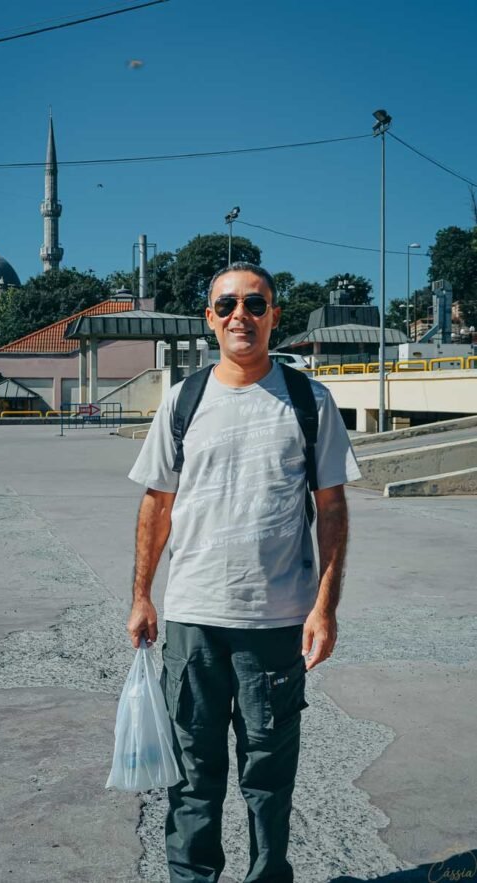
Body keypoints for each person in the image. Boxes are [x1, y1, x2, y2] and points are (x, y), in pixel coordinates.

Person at [127, 262, 361, 883]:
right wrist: (142, 597)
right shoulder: (184, 399)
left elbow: (332, 511)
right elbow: (158, 505)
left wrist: (324, 608)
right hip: (193, 621)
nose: (241, 316)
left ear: (273, 317)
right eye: (227, 304)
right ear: (210, 318)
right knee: (193, 779)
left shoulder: (310, 401)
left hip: (275, 623)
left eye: (255, 305)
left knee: (267, 780)